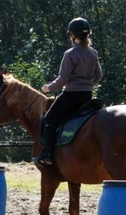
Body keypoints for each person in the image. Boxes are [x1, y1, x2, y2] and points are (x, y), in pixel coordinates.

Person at [33, 17, 103, 166]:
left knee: (50, 119)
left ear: (72, 35)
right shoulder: (94, 53)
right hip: (87, 96)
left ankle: (48, 154)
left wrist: (48, 88)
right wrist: (88, 84)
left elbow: (63, 79)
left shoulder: (70, 54)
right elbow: (99, 75)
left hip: (70, 96)